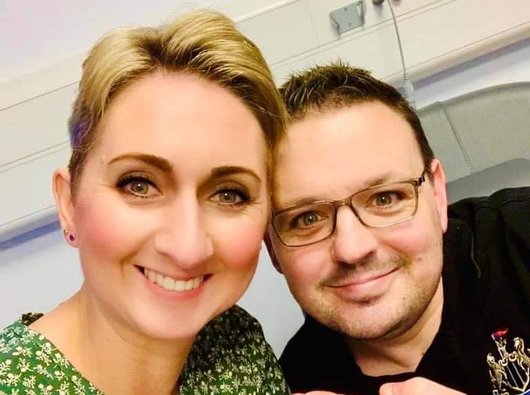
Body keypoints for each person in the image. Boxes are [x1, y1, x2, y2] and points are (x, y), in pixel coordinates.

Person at [0, 10, 290, 394]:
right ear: (69, 203)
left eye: (228, 194)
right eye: (139, 185)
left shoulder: (235, 347)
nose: (187, 248)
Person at [266, 62, 530, 395]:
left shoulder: (521, 234)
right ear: (272, 247)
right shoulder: (294, 381)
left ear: (436, 195)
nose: (352, 248)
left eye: (385, 198)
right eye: (307, 219)